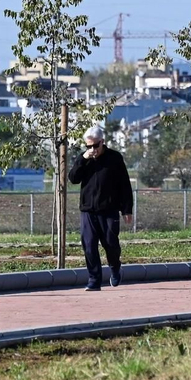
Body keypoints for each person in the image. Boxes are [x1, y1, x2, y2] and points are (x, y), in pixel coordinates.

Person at [67, 123, 134, 291]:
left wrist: (127, 209)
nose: (92, 149)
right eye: (88, 146)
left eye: (95, 145)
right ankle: (94, 280)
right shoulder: (84, 159)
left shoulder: (114, 158)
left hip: (109, 209)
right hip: (88, 210)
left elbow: (124, 185)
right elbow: (73, 178)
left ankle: (115, 267)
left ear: (102, 142)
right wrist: (83, 159)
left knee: (111, 244)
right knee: (89, 245)